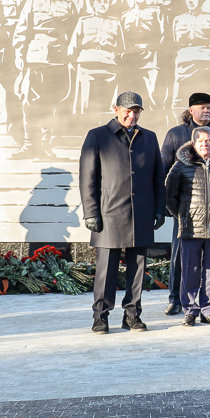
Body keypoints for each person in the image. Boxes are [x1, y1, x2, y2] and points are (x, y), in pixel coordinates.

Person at [79, 92, 166, 334]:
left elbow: (158, 178)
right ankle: (101, 316)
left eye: (136, 110)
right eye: (127, 110)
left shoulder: (149, 138)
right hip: (109, 214)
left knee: (138, 268)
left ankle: (132, 315)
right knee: (106, 270)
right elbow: (88, 178)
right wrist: (91, 212)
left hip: (141, 214)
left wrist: (159, 208)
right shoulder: (97, 136)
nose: (132, 114)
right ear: (115, 108)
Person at [160, 92, 210, 315]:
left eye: (209, 107)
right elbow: (163, 169)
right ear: (191, 110)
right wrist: (172, 208)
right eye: (202, 107)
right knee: (182, 257)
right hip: (187, 210)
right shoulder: (176, 134)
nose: (206, 111)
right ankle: (176, 299)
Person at [11, 0, 78, 159]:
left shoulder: (68, 4)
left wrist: (71, 57)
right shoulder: (33, 1)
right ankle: (29, 144)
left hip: (59, 60)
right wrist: (19, 54)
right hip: (36, 58)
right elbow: (22, 29)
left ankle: (46, 145)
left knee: (53, 105)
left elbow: (75, 33)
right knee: (30, 103)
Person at [68, 0, 125, 120]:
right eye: (99, 1)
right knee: (86, 104)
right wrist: (72, 60)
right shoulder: (83, 21)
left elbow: (121, 47)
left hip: (109, 68)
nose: (102, 4)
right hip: (87, 67)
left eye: (105, 2)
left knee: (107, 105)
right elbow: (73, 44)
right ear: (92, 4)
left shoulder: (115, 22)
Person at [120, 0, 165, 112]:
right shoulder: (125, 16)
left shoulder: (156, 11)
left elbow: (163, 35)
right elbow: (122, 40)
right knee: (133, 99)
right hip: (132, 62)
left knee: (153, 96)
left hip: (151, 59)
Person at [0, 0, 32, 145]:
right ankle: (14, 127)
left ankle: (20, 129)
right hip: (5, 48)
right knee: (9, 87)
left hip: (22, 48)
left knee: (20, 88)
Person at [171, 0, 210, 108]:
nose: (190, 1)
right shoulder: (178, 19)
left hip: (204, 60)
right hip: (183, 60)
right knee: (179, 98)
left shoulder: (209, 18)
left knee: (205, 96)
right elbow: (174, 43)